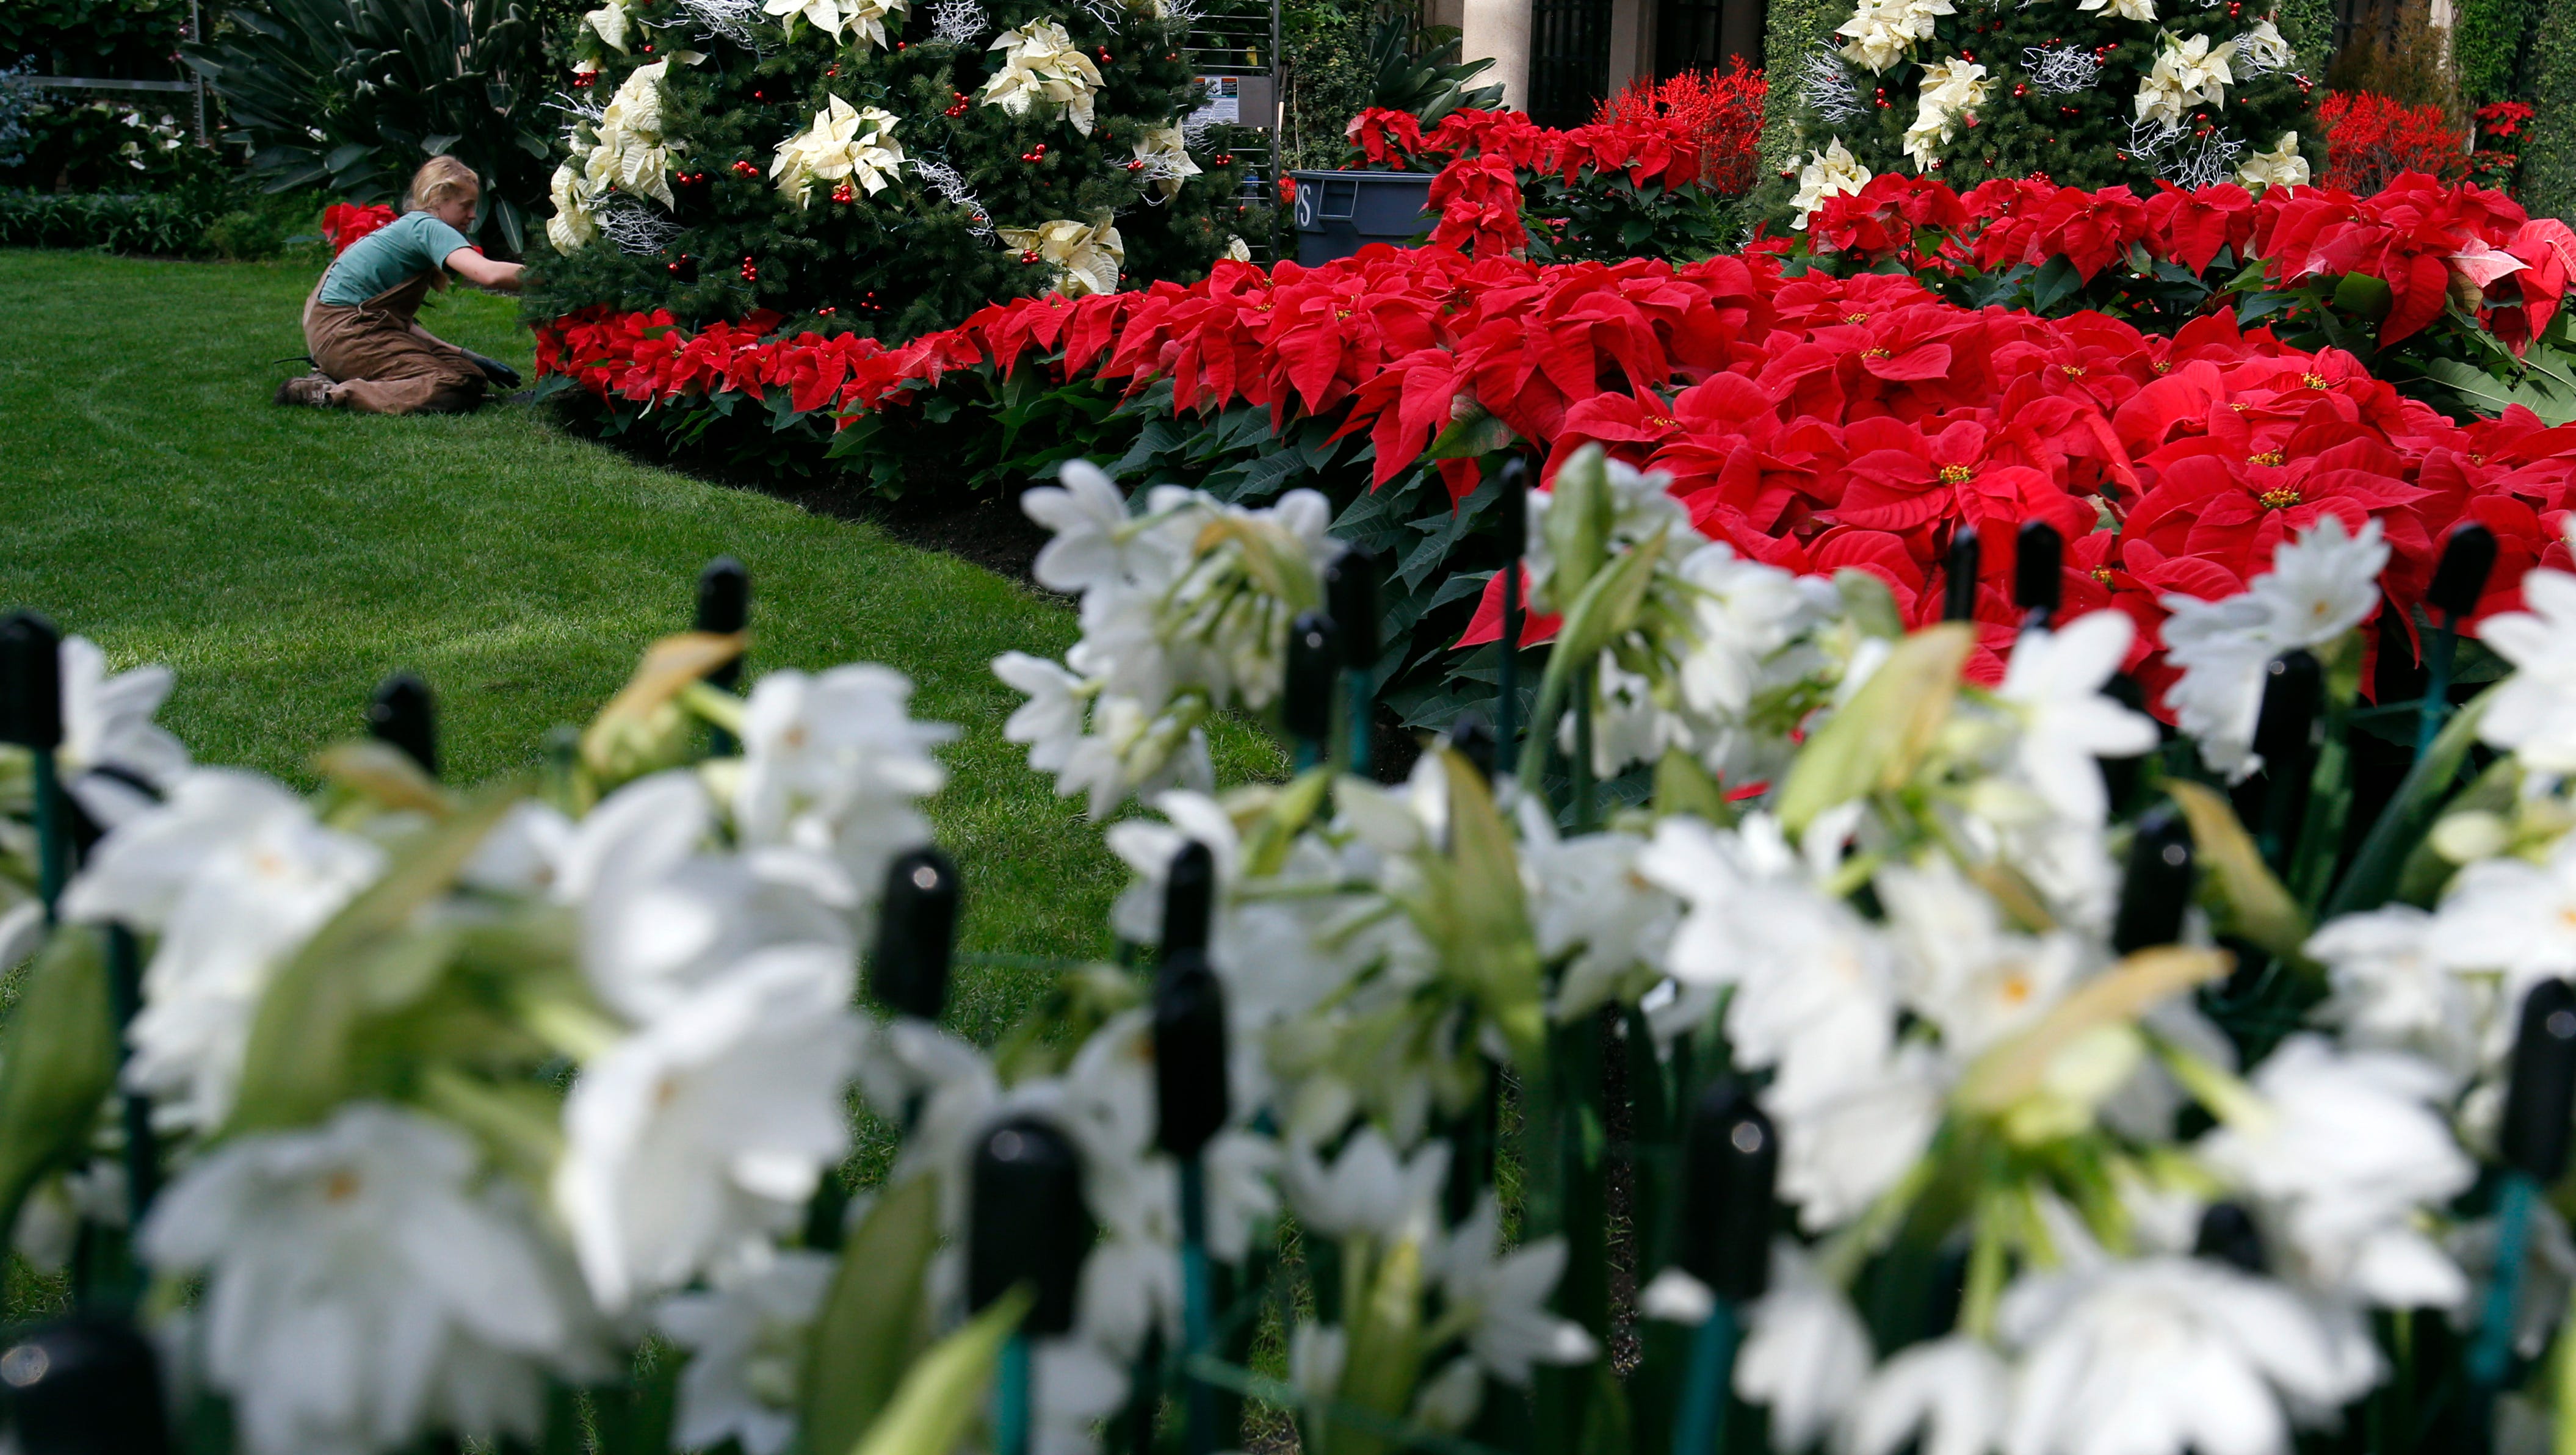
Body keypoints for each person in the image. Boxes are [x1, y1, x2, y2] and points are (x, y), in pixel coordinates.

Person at [275, 156, 527, 414]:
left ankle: (338, 375)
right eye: (466, 206)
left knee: (469, 376)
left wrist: (468, 356)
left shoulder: (412, 226)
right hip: (345, 335)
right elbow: (490, 274)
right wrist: (558, 274)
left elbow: (397, 322)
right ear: (438, 199)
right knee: (451, 385)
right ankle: (325, 393)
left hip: (345, 333)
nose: (473, 215)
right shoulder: (428, 227)